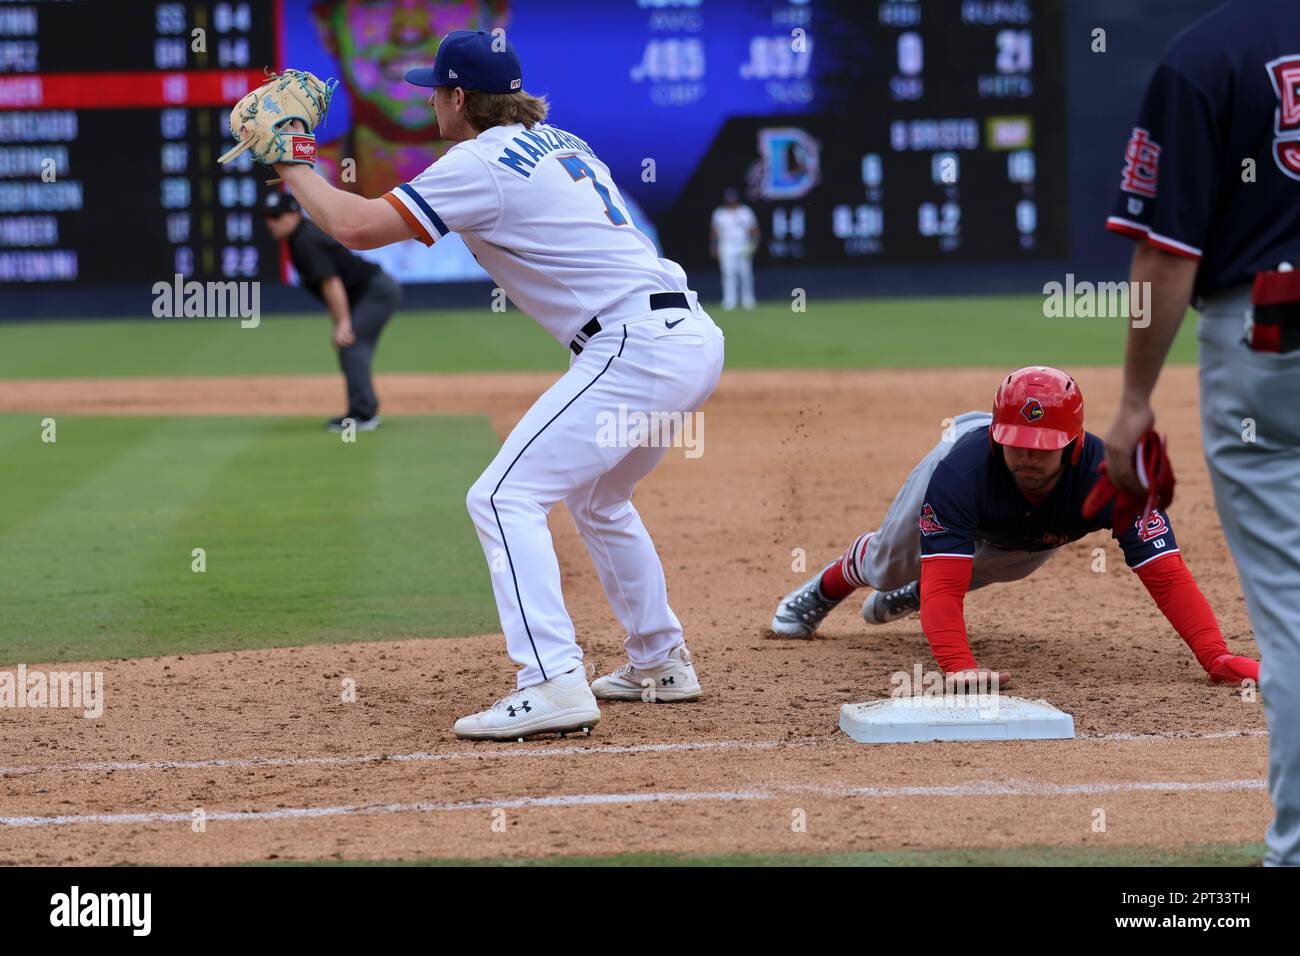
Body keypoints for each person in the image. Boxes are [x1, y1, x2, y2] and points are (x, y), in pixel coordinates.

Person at [265, 31, 725, 740]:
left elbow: (354, 227)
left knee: (503, 496)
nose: (427, 99)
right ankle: (660, 661)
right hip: (687, 335)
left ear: (458, 98)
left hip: (634, 346)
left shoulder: (475, 162)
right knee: (600, 498)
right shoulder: (561, 139)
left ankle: (551, 681)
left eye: (434, 89)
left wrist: (292, 161)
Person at [1101, 0, 1300, 866]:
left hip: (1270, 340)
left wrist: (1136, 398)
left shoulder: (1206, 56)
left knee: (1292, 612)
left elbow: (1166, 253)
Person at [770, 367, 1259, 691]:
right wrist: (958, 666)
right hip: (963, 490)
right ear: (996, 436)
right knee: (886, 566)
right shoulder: (961, 471)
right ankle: (828, 585)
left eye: (1042, 447)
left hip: (1029, 531)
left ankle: (912, 593)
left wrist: (1215, 656)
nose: (1027, 457)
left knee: (1006, 565)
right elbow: (946, 582)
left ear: (1070, 444)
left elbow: (1166, 573)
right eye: (1016, 444)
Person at [262, 191, 400, 432]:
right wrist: (340, 321)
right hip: (367, 291)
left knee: (351, 343)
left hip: (376, 291)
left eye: (276, 215)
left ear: (294, 214)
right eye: (267, 217)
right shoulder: (298, 237)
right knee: (350, 343)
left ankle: (363, 414)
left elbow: (331, 282)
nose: (271, 222)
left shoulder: (304, 240)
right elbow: (329, 287)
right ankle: (363, 410)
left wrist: (343, 322)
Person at [710, 188, 758, 311]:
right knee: (728, 273)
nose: (731, 202)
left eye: (733, 200)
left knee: (745, 273)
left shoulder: (745, 212)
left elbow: (754, 230)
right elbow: (714, 232)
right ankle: (729, 300)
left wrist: (753, 244)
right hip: (726, 245)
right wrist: (714, 246)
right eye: (729, 200)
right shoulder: (719, 213)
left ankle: (748, 300)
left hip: (743, 245)